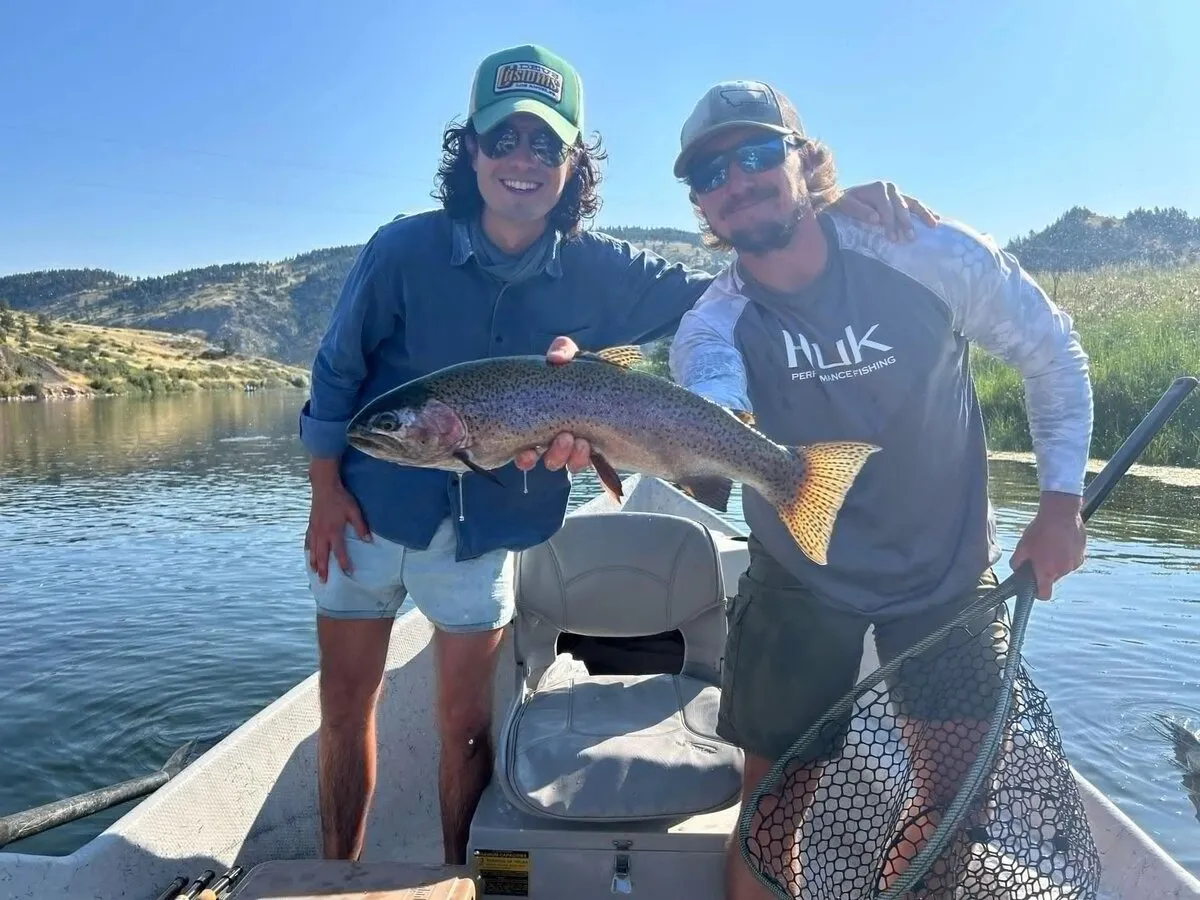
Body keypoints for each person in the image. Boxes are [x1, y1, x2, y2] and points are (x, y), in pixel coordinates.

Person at [299, 44, 935, 867]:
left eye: (545, 143)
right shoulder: (401, 252)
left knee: (464, 724)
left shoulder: (605, 270)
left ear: (573, 164)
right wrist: (324, 490)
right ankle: (330, 876)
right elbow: (335, 375)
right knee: (345, 706)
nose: (523, 159)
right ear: (472, 151)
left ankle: (460, 878)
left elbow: (730, 287)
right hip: (365, 511)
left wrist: (830, 213)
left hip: (486, 532)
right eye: (503, 139)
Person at [537, 80, 1092, 898]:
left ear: (804, 158)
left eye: (758, 153)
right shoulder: (713, 323)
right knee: (771, 817)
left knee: (957, 806)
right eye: (711, 173)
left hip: (945, 570)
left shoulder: (925, 251)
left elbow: (1051, 352)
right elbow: (713, 409)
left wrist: (1060, 503)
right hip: (799, 575)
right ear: (700, 204)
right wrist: (595, 413)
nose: (737, 180)